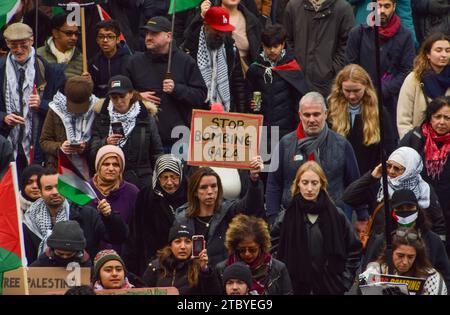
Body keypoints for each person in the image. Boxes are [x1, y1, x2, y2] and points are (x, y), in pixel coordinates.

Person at [265, 92, 361, 225]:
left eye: (316, 114)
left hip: (334, 220)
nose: (311, 120)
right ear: (300, 115)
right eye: (307, 115)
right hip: (293, 220)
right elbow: (273, 184)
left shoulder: (342, 144)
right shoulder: (285, 144)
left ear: (325, 114)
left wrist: (362, 215)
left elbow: (354, 183)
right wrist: (272, 218)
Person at [272, 161, 362, 295]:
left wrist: (344, 281)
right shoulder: (286, 217)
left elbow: (354, 249)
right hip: (295, 288)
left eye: (314, 183)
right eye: (305, 183)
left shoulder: (337, 215)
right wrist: (283, 281)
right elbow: (272, 250)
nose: (309, 189)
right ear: (298, 184)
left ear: (321, 184)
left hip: (330, 288)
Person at [123, 16, 207, 151]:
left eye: (154, 33)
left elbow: (201, 95)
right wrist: (137, 96)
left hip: (178, 137)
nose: (148, 37)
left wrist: (177, 89)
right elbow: (119, 93)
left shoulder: (185, 61)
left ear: (168, 36)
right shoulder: (134, 62)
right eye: (147, 33)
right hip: (143, 136)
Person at [342, 146, 447, 246]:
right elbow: (348, 197)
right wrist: (372, 176)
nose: (391, 171)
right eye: (389, 166)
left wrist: (435, 252)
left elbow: (438, 224)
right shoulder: (380, 185)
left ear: (410, 170)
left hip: (414, 249)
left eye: (397, 168)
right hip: (381, 248)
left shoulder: (424, 190)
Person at [22, 168, 128, 265]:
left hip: (83, 279)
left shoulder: (87, 215)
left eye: (59, 187)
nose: (55, 192)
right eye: (49, 188)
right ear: (40, 192)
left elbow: (118, 237)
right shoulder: (29, 221)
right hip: (43, 281)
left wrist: (109, 217)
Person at [175, 157, 265, 268]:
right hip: (192, 276)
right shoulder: (182, 218)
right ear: (195, 192)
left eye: (214, 186)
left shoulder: (228, 210)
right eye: (203, 187)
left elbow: (250, 206)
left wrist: (254, 179)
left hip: (223, 277)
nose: (210, 192)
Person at [0, 22, 65, 171]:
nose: (19, 50)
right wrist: (4, 117)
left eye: (23, 44)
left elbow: (65, 108)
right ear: (7, 44)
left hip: (38, 142)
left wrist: (42, 104)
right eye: (13, 45)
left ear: (32, 41)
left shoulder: (49, 70)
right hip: (6, 142)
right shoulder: (1, 68)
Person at [345, 0, 415, 131]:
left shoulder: (405, 36)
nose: (382, 10)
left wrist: (383, 91)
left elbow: (407, 71)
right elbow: (350, 67)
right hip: (361, 100)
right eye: (378, 6)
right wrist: (364, 90)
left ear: (394, 6)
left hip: (392, 103)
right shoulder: (358, 33)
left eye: (386, 6)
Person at [362, 189, 450, 288]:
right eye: (400, 208)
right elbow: (365, 278)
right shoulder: (382, 241)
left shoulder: (433, 241)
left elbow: (445, 275)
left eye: (410, 207)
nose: (405, 262)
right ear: (392, 212)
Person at [89, 75, 163, 190]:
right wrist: (106, 143)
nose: (119, 101)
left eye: (122, 96)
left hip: (141, 180)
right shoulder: (102, 118)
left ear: (131, 94)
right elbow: (92, 152)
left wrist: (159, 178)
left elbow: (157, 151)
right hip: (110, 181)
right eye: (114, 97)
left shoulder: (145, 118)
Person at [245, 23, 308, 152]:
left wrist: (298, 129)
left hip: (287, 130)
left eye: (275, 46)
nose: (272, 50)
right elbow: (246, 93)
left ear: (283, 45)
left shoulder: (292, 67)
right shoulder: (255, 68)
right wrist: (250, 101)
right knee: (265, 166)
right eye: (268, 47)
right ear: (262, 45)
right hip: (262, 129)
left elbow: (299, 101)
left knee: (284, 165)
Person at [399, 96, 450, 255]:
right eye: (437, 117)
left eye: (447, 118)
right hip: (419, 204)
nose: (442, 122)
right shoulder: (415, 137)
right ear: (430, 117)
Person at [123, 154, 187, 276]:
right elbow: (136, 234)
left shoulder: (190, 193)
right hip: (155, 263)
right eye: (164, 177)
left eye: (174, 177)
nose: (169, 182)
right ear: (157, 178)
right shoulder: (146, 196)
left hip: (185, 262)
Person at [328, 64, 396, 175]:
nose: (352, 96)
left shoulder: (379, 112)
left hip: (370, 177)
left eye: (356, 90)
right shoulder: (331, 111)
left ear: (366, 87)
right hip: (340, 177)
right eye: (347, 91)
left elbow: (388, 148)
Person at [181, 6, 246, 113]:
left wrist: (241, 112)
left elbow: (238, 83)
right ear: (206, 26)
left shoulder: (231, 48)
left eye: (223, 31)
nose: (220, 34)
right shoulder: (190, 48)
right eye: (217, 30)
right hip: (195, 110)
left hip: (225, 111)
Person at [284, 0, 355, 96]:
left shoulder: (343, 8)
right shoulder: (293, 6)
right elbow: (286, 40)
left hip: (328, 86)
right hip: (295, 83)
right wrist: (295, 65)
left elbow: (347, 45)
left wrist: (331, 70)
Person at [216, 214, 293, 295]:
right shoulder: (222, 269)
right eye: (242, 250)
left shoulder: (278, 269)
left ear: (261, 246)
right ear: (235, 248)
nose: (247, 254)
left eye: (252, 250)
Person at [360, 227, 447, 295]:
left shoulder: (431, 277)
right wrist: (368, 277)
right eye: (400, 256)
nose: (405, 262)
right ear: (391, 253)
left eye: (410, 257)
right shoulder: (378, 270)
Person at [142, 223, 222, 294]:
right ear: (170, 246)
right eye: (177, 241)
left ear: (192, 245)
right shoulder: (156, 267)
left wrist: (204, 269)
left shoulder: (200, 267)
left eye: (187, 241)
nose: (183, 247)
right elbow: (143, 291)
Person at [397, 32, 450, 139]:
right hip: (419, 144)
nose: (444, 55)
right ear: (428, 54)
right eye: (438, 50)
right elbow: (403, 119)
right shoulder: (414, 79)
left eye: (448, 51)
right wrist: (412, 143)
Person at [39, 75, 98, 169]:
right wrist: (61, 147)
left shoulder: (96, 109)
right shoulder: (55, 109)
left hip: (88, 167)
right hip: (59, 168)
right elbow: (44, 141)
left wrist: (86, 146)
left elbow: (100, 139)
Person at [89, 145, 139, 255]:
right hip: (91, 257)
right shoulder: (86, 190)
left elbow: (136, 231)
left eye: (116, 165)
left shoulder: (132, 192)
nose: (111, 168)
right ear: (98, 166)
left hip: (122, 257)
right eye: (106, 164)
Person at [198, 0, 262, 68]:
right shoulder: (208, 16)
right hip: (216, 69)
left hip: (246, 71)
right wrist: (202, 17)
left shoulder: (252, 20)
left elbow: (258, 51)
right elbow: (192, 43)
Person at [89, 20, 132, 98]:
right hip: (101, 102)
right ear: (97, 40)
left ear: (118, 39)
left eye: (110, 37)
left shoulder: (130, 60)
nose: (105, 40)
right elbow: (93, 90)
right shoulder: (93, 63)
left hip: (124, 101)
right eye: (101, 37)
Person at [37, 13, 84, 78]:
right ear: (55, 33)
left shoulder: (82, 59)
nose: (74, 38)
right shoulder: (38, 55)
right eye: (69, 33)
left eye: (76, 34)